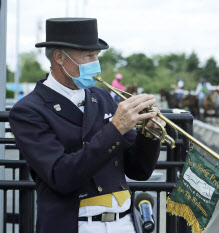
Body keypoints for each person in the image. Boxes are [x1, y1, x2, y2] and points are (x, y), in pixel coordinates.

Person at [9, 18, 165, 233]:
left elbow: (138, 170)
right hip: (75, 225)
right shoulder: (28, 110)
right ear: (60, 57)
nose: (95, 63)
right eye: (88, 56)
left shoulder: (102, 97)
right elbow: (61, 176)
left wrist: (150, 135)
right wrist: (116, 128)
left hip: (125, 223)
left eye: (97, 56)